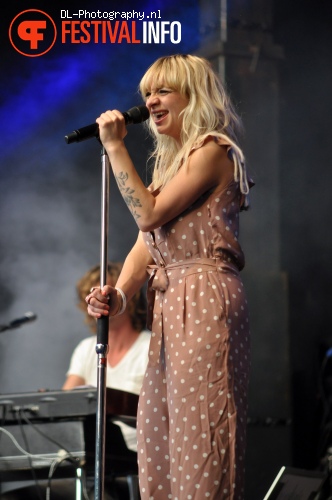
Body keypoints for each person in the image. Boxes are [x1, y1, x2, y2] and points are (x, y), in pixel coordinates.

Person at [85, 54, 253, 500]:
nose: (151, 102)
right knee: (160, 434)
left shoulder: (214, 150)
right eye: (146, 94)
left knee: (202, 429)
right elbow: (145, 250)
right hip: (170, 302)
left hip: (204, 296)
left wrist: (116, 148)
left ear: (192, 95)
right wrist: (118, 297)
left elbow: (149, 215)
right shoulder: (168, 169)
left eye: (163, 91)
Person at [63, 261, 150, 453]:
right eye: (89, 296)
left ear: (129, 297)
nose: (95, 300)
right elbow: (67, 402)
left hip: (140, 454)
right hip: (94, 452)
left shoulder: (150, 346)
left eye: (103, 295)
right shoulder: (85, 349)